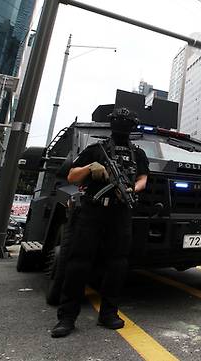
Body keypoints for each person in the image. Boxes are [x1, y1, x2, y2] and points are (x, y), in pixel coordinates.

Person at [51, 108, 149, 338]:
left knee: (117, 264)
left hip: (121, 212)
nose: (122, 126)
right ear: (112, 124)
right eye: (119, 121)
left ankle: (108, 313)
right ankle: (67, 317)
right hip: (93, 209)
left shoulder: (138, 154)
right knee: (78, 263)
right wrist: (90, 168)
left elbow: (143, 178)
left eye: (127, 122)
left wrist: (130, 189)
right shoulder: (96, 150)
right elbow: (72, 176)